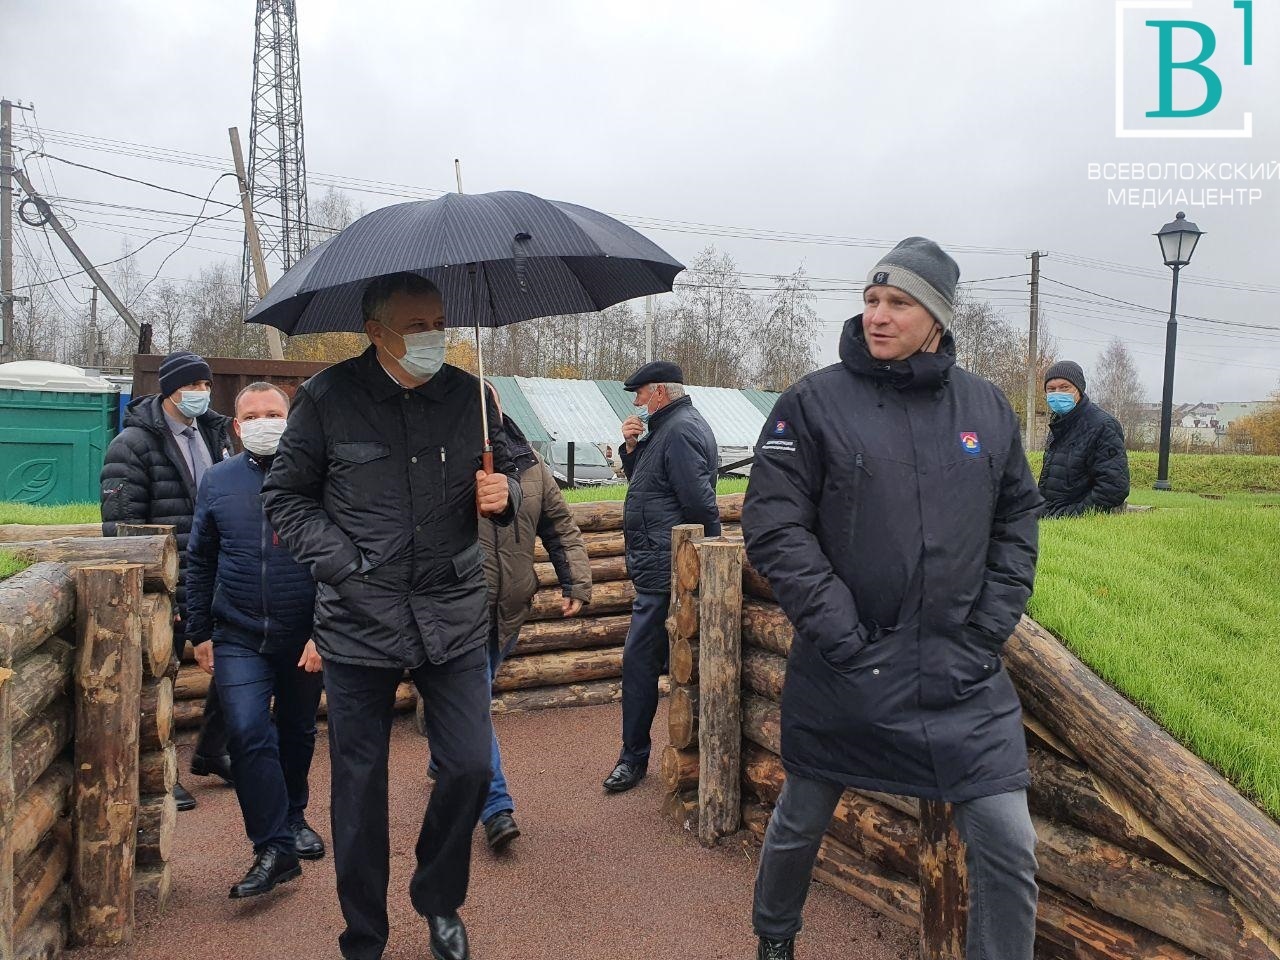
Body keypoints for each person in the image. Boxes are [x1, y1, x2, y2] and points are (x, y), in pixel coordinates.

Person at [742, 238, 1043, 960]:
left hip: (958, 677)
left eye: (898, 303)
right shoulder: (812, 403)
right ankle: (774, 938)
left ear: (936, 315)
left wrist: (982, 639)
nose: (878, 315)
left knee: (1008, 840)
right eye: (871, 299)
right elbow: (774, 524)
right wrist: (842, 634)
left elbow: (1017, 524)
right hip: (850, 670)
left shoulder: (986, 408)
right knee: (800, 819)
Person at [262, 272, 521, 960]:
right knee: (358, 786)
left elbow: (520, 473)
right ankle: (364, 934)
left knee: (467, 766)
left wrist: (503, 493)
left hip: (454, 610)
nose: (435, 336)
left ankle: (438, 900)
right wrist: (346, 565)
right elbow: (285, 500)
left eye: (439, 321)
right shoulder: (325, 400)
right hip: (358, 618)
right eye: (417, 325)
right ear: (374, 331)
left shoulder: (474, 396)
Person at [185, 381, 325, 900]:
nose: (265, 421)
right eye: (254, 415)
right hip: (238, 632)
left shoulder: (319, 476)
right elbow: (200, 559)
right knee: (245, 730)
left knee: (297, 730)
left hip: (304, 634)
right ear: (237, 426)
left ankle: (294, 817)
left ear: (290, 420)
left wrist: (323, 632)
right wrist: (198, 630)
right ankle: (272, 845)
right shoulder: (218, 481)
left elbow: (340, 561)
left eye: (275, 413)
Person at [99, 349, 234, 812]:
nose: (200, 393)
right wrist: (157, 588)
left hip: (216, 573)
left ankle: (214, 749)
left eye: (205, 384)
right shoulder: (133, 445)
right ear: (169, 388)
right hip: (165, 582)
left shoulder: (216, 434)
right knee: (160, 675)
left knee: (231, 663)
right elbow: (120, 526)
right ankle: (159, 770)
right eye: (191, 385)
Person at [473, 388, 592, 850]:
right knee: (474, 705)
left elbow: (560, 525)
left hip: (511, 609)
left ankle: (451, 761)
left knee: (471, 703)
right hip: (459, 612)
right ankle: (495, 807)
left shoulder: (531, 467)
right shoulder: (437, 464)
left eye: (488, 407)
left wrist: (575, 582)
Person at [603, 361, 720, 793]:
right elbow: (652, 487)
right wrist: (631, 448)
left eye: (639, 394)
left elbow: (700, 504)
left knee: (639, 663)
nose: (636, 402)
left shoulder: (681, 430)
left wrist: (707, 561)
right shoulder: (669, 429)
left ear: (658, 393)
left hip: (668, 570)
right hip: (661, 567)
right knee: (665, 664)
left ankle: (633, 759)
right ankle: (651, 755)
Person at [1038, 360, 1131, 517]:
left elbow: (1113, 488)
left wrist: (1067, 516)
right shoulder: (1059, 422)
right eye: (1051, 389)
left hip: (1070, 518)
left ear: (1079, 389)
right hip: (1048, 513)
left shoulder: (1103, 425)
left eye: (1064, 387)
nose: (1057, 393)